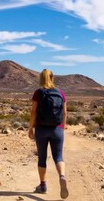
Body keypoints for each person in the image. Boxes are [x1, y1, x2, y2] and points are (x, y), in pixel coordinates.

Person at [28, 69, 69, 199]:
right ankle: (62, 176)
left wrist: (30, 127)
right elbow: (65, 113)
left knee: (42, 157)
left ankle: (43, 185)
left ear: (41, 78)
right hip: (57, 129)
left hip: (41, 129)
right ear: (52, 77)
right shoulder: (60, 93)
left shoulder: (38, 93)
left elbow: (33, 111)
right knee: (58, 156)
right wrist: (62, 127)